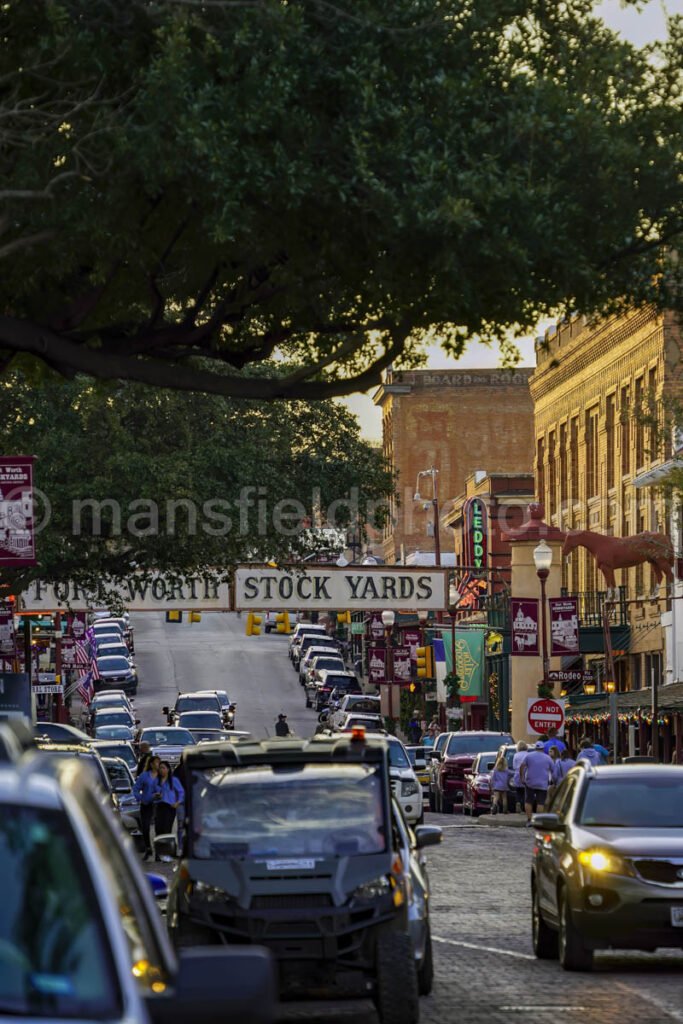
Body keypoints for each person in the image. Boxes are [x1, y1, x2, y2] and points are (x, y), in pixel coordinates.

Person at [133, 755, 161, 860]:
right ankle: (148, 848)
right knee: (145, 828)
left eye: (159, 762)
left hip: (158, 804)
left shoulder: (162, 775)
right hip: (146, 805)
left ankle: (158, 852)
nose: (158, 764)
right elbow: (135, 789)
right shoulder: (144, 776)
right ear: (151, 764)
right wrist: (141, 798)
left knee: (159, 829)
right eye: (156, 762)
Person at [520, 741, 554, 825]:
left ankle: (529, 820)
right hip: (542, 783)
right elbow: (553, 770)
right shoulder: (548, 758)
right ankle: (539, 820)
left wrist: (522, 777)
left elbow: (522, 766)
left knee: (528, 801)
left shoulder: (528, 756)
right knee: (541, 802)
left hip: (530, 782)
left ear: (535, 747)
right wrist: (553, 780)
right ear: (543, 748)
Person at [154, 761, 184, 849]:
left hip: (169, 807)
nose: (161, 770)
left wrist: (177, 803)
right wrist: (154, 795)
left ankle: (167, 851)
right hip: (159, 806)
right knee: (158, 829)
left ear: (168, 769)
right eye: (160, 768)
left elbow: (181, 792)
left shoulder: (173, 780)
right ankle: (159, 852)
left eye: (163, 768)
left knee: (166, 829)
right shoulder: (156, 780)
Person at [511, 741, 528, 813]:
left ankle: (518, 802)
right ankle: (524, 807)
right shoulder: (528, 754)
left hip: (517, 775)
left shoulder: (516, 755)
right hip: (526, 775)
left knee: (518, 791)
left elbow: (514, 766)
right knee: (525, 792)